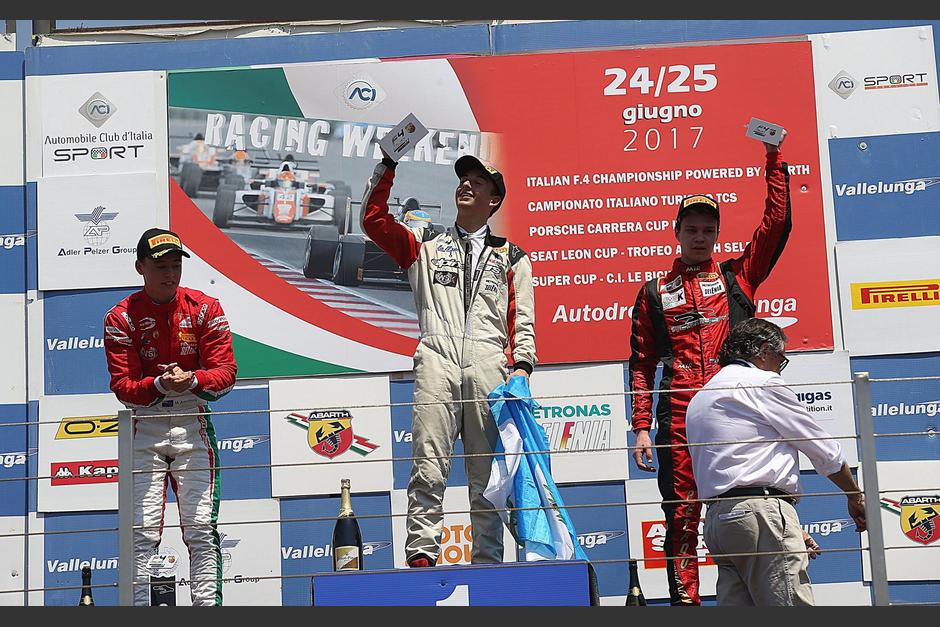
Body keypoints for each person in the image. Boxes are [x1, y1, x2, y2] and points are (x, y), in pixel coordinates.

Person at [628, 132, 792, 605]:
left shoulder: (737, 277)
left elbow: (776, 224)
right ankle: (686, 604)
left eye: (708, 230)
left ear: (717, 234)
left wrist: (774, 158)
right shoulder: (654, 292)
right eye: (692, 229)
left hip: (735, 412)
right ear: (677, 232)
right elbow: (641, 363)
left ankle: (751, 597)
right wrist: (641, 427)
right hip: (679, 412)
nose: (700, 237)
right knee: (681, 513)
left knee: (742, 505)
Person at [362, 151, 536, 567]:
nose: (466, 184)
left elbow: (523, 323)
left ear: (494, 200)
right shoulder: (424, 243)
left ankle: (488, 562)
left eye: (478, 181)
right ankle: (422, 554)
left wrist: (522, 370)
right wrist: (388, 165)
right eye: (463, 179)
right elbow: (373, 221)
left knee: (488, 476)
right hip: (436, 358)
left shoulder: (513, 257)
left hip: (489, 366)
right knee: (428, 463)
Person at [686, 318, 866, 606]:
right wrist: (853, 494)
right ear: (764, 350)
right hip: (760, 513)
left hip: (720, 521)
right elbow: (823, 450)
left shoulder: (701, 396)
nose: (780, 368)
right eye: (781, 359)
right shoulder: (762, 382)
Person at [103, 228, 237, 606]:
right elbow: (123, 387)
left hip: (193, 420)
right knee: (142, 532)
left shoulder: (205, 308)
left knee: (200, 529)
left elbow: (226, 373)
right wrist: (160, 385)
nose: (170, 274)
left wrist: (191, 380)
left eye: (176, 265)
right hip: (144, 424)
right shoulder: (120, 317)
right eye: (161, 266)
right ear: (140, 268)